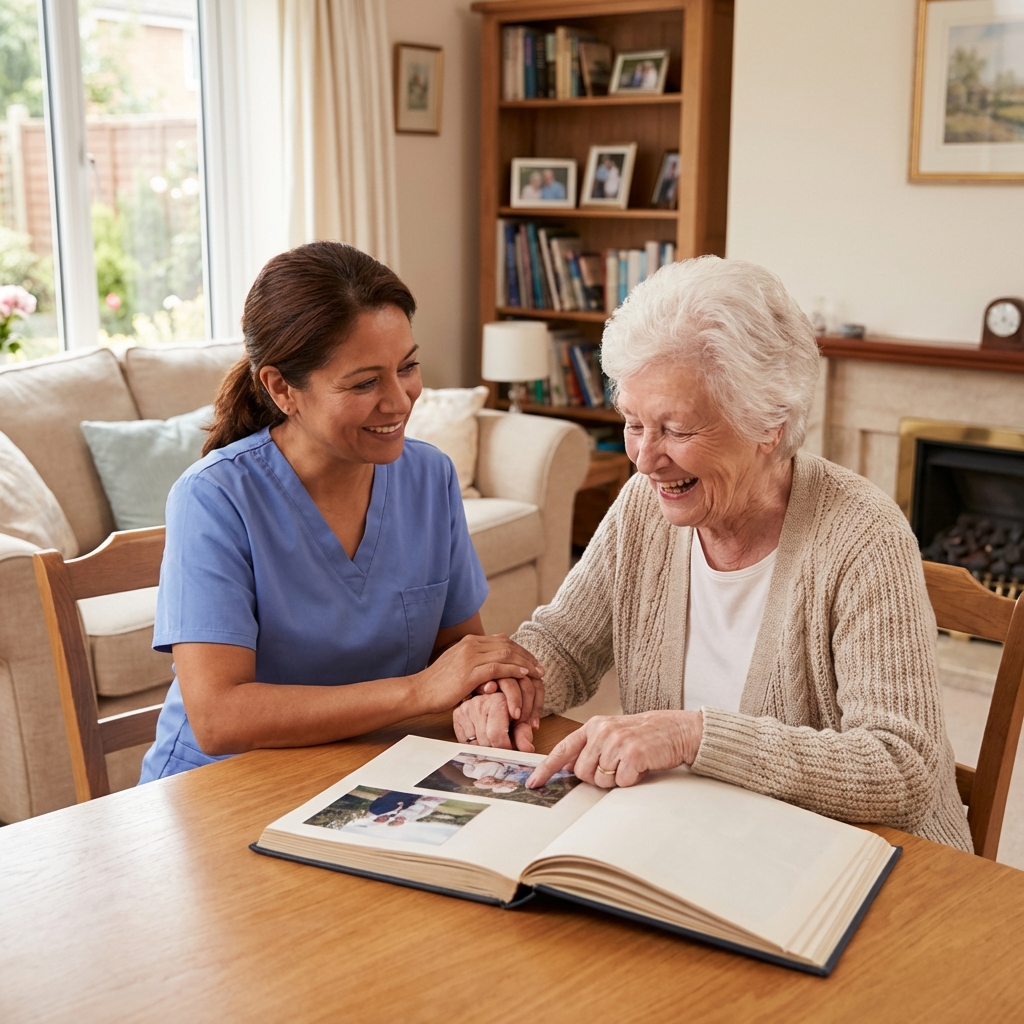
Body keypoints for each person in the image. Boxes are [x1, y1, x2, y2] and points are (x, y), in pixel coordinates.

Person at [454, 256, 973, 852]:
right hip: (699, 839)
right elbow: (567, 643)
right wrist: (511, 686)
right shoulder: (643, 507)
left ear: (768, 423)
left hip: (862, 865)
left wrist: (693, 738)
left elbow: (900, 766)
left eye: (676, 430)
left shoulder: (863, 536)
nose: (645, 459)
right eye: (632, 423)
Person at [139, 242, 544, 782]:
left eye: (408, 367)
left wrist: (491, 687)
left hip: (369, 774)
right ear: (282, 388)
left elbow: (458, 654)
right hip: (225, 786)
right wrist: (418, 691)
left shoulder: (430, 477)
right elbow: (219, 718)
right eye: (365, 382)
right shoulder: (214, 497)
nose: (400, 400)